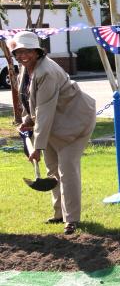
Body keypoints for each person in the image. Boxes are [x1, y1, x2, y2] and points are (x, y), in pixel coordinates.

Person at [13, 30, 96, 234]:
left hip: (75, 123)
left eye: (27, 51)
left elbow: (45, 110)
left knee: (66, 170)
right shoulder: (26, 69)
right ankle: (59, 214)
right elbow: (28, 99)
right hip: (54, 126)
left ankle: (72, 219)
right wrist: (26, 120)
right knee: (52, 170)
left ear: (37, 52)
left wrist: (37, 146)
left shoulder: (46, 72)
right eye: (19, 52)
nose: (23, 55)